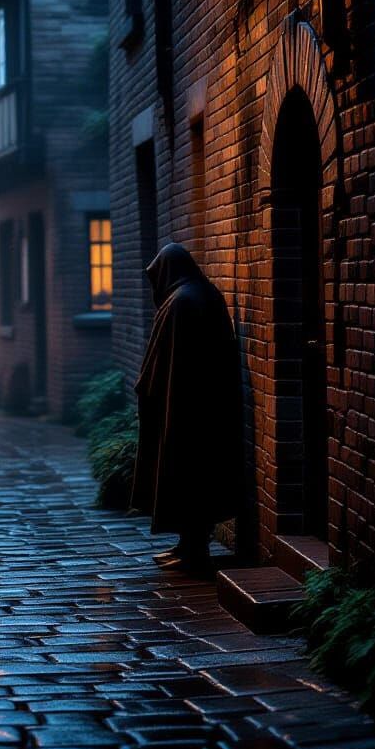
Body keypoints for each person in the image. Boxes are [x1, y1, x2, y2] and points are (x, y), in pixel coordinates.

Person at [131, 243, 242, 571]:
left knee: (186, 477)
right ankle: (187, 545)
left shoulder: (182, 302)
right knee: (191, 478)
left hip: (185, 411)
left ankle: (194, 550)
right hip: (198, 408)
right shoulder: (200, 294)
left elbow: (174, 363)